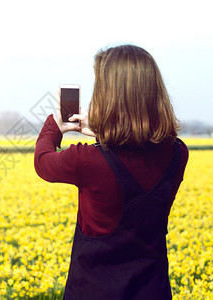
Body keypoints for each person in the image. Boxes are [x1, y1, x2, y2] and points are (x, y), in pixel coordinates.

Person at [34, 44, 188, 299]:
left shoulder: (87, 160)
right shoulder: (178, 153)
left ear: (109, 96)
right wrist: (102, 132)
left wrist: (55, 124)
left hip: (93, 291)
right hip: (154, 290)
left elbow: (43, 162)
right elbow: (135, 149)